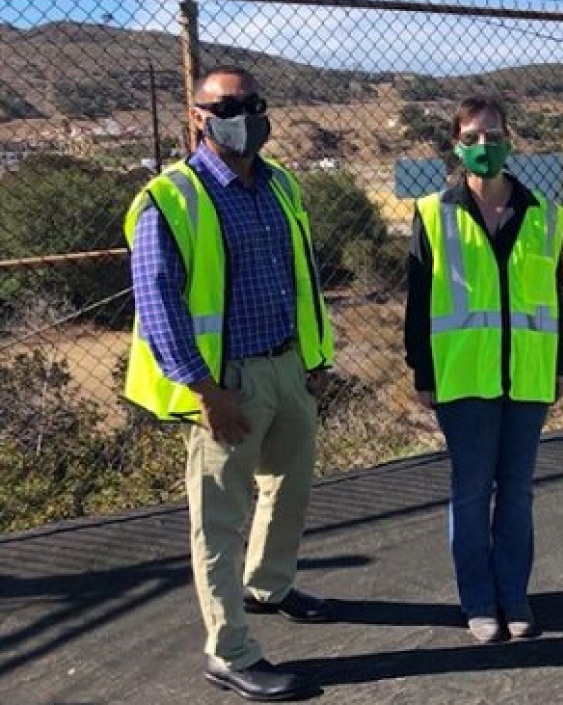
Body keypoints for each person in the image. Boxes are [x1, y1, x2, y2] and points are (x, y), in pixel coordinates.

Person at [124, 66, 334, 702]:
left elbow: (301, 279)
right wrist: (203, 391)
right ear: (197, 116)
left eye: (251, 103)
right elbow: (159, 304)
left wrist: (313, 358)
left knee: (288, 489)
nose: (242, 115)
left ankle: (268, 585)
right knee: (218, 518)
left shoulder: (280, 184)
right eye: (226, 106)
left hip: (287, 366)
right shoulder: (171, 197)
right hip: (227, 383)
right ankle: (229, 650)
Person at [404, 95, 563, 644]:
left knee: (518, 491)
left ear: (510, 139)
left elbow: (557, 296)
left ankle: (514, 596)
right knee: (472, 493)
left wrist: (560, 362)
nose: (484, 145)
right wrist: (421, 371)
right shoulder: (434, 213)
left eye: (493, 134)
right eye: (472, 136)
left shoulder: (543, 214)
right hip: (464, 379)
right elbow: (419, 301)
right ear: (456, 143)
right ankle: (478, 601)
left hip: (527, 376)